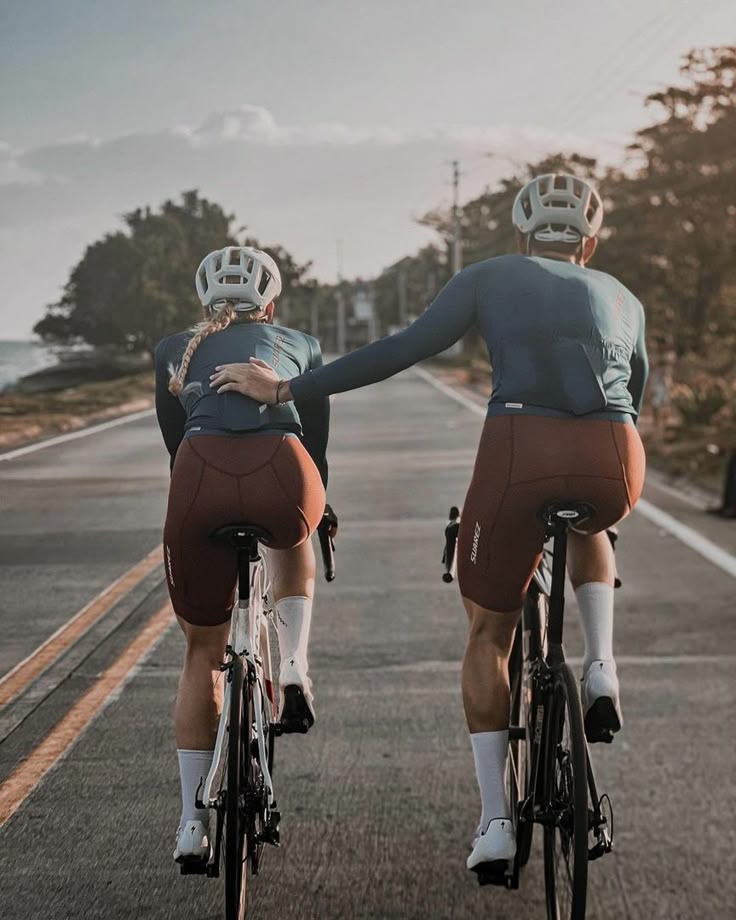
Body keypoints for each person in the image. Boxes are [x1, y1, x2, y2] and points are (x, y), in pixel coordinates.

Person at [210, 175, 648, 878]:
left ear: (520, 237)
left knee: (489, 634)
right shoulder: (625, 296)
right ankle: (602, 667)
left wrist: (287, 386)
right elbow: (636, 390)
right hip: (618, 459)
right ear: (589, 245)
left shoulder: (488, 275)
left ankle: (497, 824)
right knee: (589, 518)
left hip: (520, 451)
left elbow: (401, 350)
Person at [154, 246, 330, 865]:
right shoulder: (302, 344)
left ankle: (191, 824)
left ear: (204, 302)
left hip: (198, 475)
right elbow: (317, 444)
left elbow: (175, 441)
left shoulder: (173, 348)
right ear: (271, 305)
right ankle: (294, 664)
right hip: (283, 471)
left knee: (202, 654)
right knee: (294, 535)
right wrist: (321, 506)